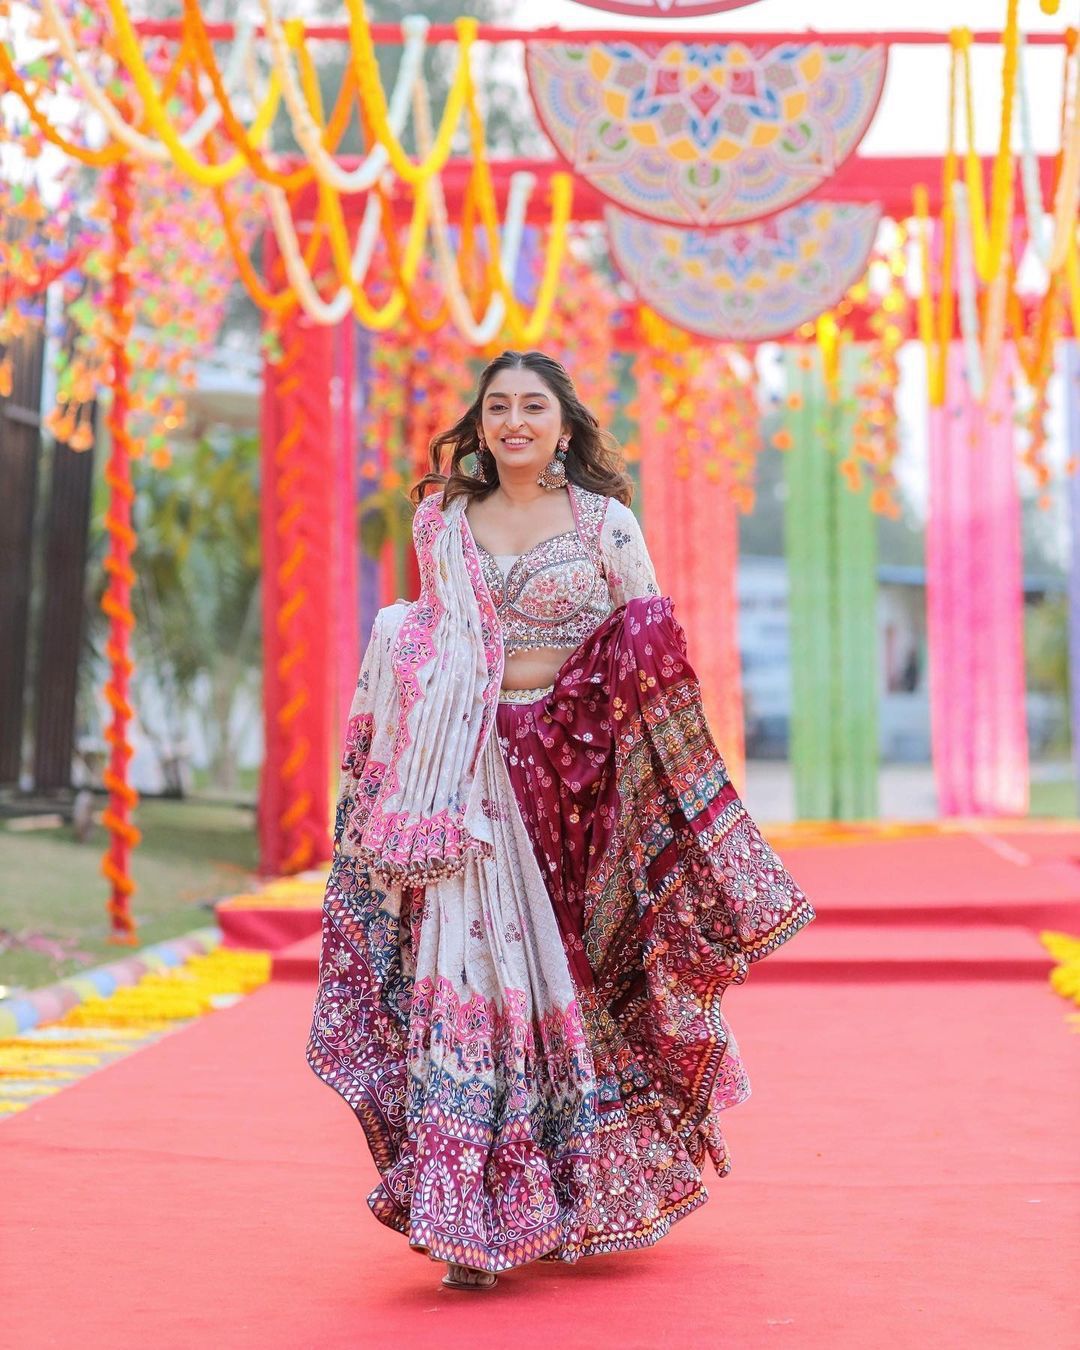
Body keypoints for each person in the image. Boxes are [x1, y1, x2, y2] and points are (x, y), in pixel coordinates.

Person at [306, 350, 814, 1291]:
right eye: (496, 406)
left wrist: (657, 779)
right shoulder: (446, 522)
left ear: (565, 425)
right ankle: (468, 1214)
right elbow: (438, 635)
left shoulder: (605, 524)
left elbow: (651, 645)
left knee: (575, 975)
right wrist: (401, 641)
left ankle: (573, 1192)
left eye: (531, 406)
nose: (512, 422)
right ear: (480, 425)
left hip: (578, 780)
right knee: (472, 976)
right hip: (465, 780)